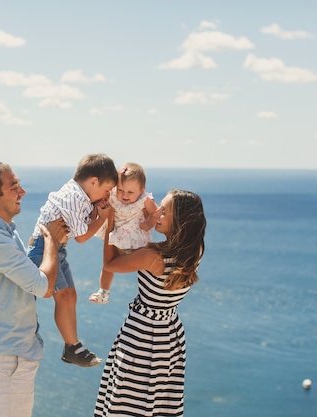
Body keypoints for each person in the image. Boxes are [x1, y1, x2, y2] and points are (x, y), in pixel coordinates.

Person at [0, 161, 68, 417]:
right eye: (14, 187)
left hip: (5, 353)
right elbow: (43, 287)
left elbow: (27, 273)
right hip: (6, 359)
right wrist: (52, 242)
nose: (22, 191)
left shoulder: (0, 230)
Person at [94, 189, 206, 417]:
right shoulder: (195, 251)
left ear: (181, 221)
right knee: (157, 405)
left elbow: (110, 264)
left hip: (142, 337)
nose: (157, 213)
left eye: (164, 212)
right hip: (170, 336)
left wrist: (111, 222)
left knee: (127, 403)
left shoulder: (152, 256)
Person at [27, 153, 118, 367]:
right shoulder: (73, 197)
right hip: (44, 248)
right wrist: (103, 217)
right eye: (106, 190)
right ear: (93, 181)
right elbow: (82, 236)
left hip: (57, 249)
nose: (106, 195)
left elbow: (83, 226)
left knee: (70, 296)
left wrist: (96, 212)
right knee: (63, 297)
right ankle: (72, 346)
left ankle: (72, 346)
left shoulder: (81, 197)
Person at [89, 162, 159, 304]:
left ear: (142, 190)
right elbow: (100, 203)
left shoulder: (145, 200)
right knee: (108, 266)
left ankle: (153, 292)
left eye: (130, 192)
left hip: (136, 238)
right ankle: (103, 292)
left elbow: (156, 213)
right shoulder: (113, 196)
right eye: (120, 190)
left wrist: (149, 223)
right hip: (116, 236)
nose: (124, 195)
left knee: (145, 266)